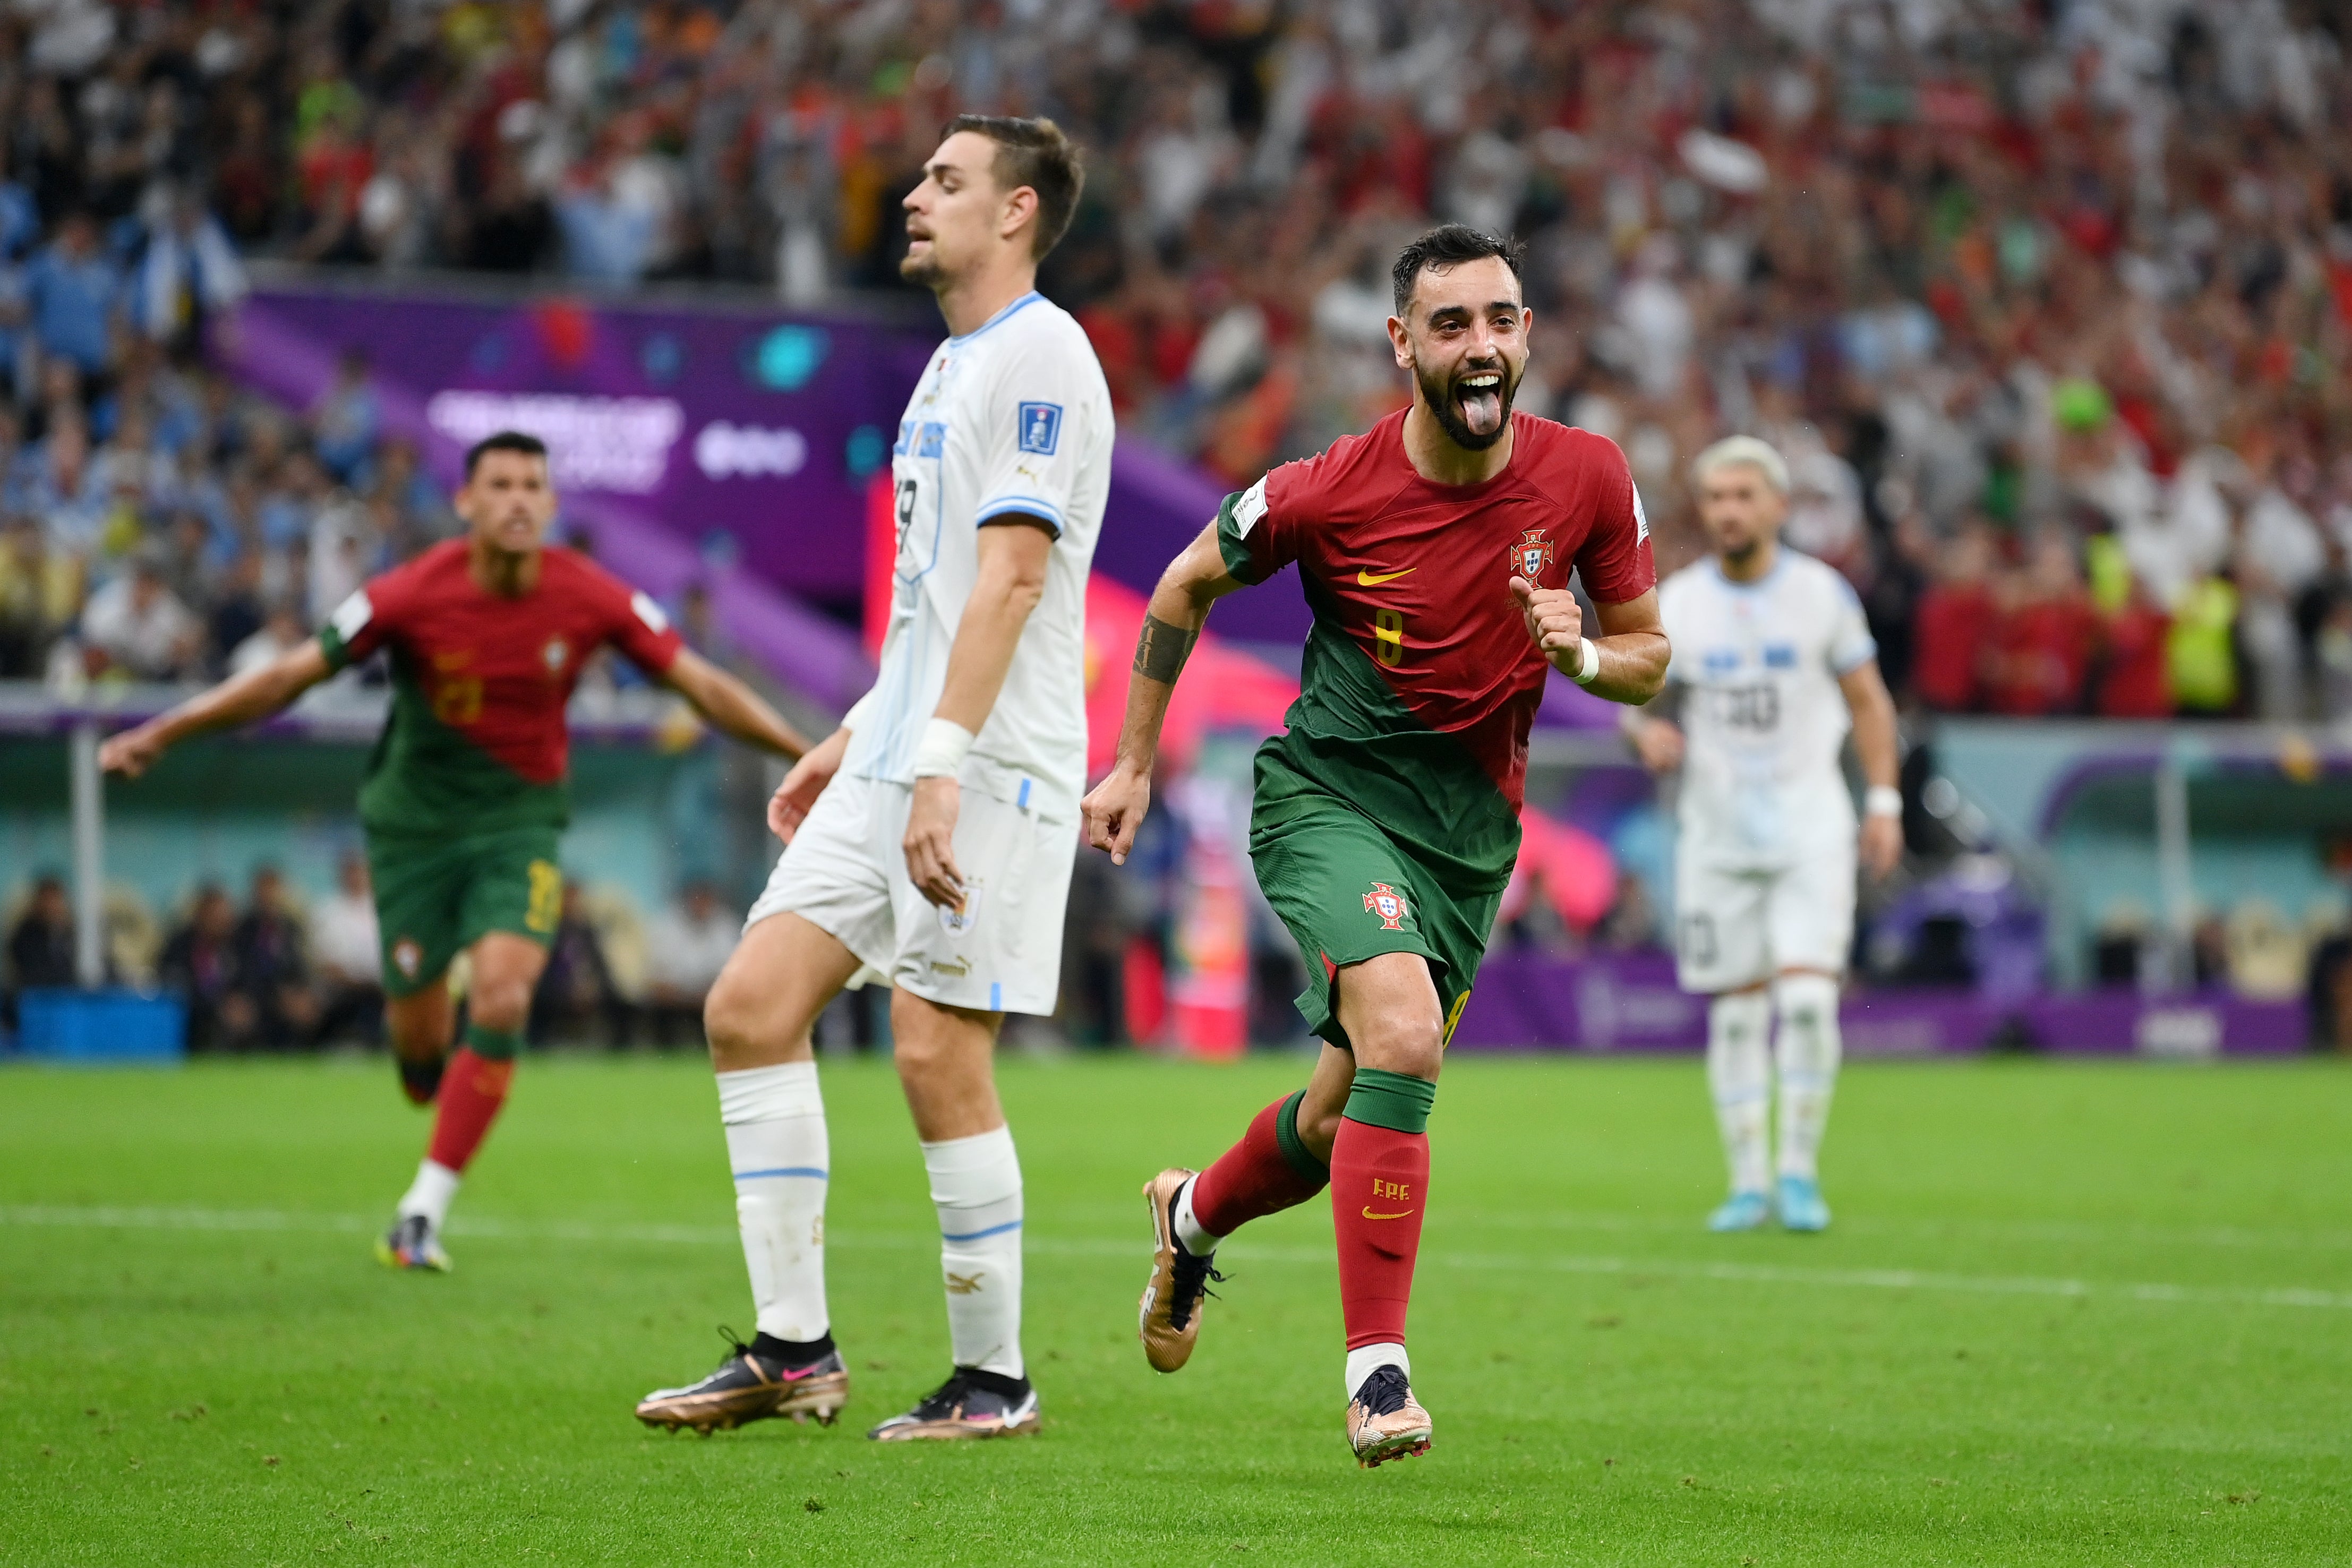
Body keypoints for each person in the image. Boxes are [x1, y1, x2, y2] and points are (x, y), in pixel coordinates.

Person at [1081, 225, 1667, 1468]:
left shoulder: (1587, 477)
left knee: (1346, 1104)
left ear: (1528, 337)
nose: (1480, 345)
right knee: (1400, 1035)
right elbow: (1182, 582)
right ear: (1400, 343)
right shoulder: (1322, 489)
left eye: (1500, 319)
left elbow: (1646, 658)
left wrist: (1579, 657)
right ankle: (1375, 1373)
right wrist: (1132, 755)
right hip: (1326, 799)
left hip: (1468, 843)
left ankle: (1189, 1218)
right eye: (1449, 323)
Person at [634, 115, 1109, 1443]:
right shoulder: (946, 364)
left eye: (944, 181)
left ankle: (994, 1376)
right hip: (902, 745)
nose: (912, 196)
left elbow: (1013, 581)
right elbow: (931, 597)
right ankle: (794, 1350)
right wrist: (861, 728)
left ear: (1015, 211)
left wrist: (943, 760)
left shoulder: (1042, 356)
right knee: (748, 1005)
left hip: (992, 761)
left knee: (931, 1050)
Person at [99, 430, 811, 1271]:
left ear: (548, 505)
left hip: (521, 827)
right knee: (419, 1053)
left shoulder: (587, 595)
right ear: (467, 502)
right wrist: (167, 730)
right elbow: (290, 674)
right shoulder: (408, 594)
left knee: (504, 996)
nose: (517, 498)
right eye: (499, 484)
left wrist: (806, 753)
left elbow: (698, 682)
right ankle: (432, 1082)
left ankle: (420, 1212)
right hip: (413, 835)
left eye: (531, 485)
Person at [1624, 436, 1903, 1236]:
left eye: (1745, 495)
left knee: (1810, 1001)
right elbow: (1633, 701)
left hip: (1811, 828)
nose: (1729, 510)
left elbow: (1871, 703)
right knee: (1739, 1016)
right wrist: (1643, 737)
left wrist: (1883, 799)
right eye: (1715, 497)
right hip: (1714, 837)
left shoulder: (1821, 596)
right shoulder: (1679, 603)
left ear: (1779, 505)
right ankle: (1748, 1182)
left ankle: (1799, 1173)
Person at [640, 881, 738, 1046]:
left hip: (710, 996)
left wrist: (709, 991)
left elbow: (732, 969)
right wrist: (681, 994)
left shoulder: (725, 926)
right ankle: (665, 1050)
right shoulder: (668, 925)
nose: (701, 906)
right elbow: (657, 972)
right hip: (674, 998)